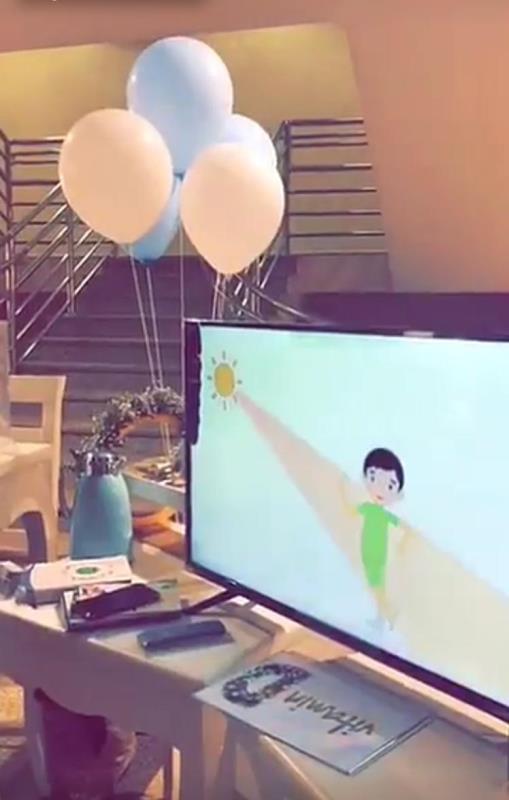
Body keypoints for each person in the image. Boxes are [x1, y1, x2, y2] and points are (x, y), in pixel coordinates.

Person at [356, 448, 410, 629]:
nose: (380, 489)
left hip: (377, 556)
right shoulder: (368, 508)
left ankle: (386, 615)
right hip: (367, 554)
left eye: (390, 486)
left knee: (377, 588)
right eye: (373, 478)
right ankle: (386, 615)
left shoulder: (383, 515)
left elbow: (404, 528)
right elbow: (349, 512)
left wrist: (403, 545)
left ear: (398, 494)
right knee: (376, 587)